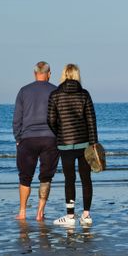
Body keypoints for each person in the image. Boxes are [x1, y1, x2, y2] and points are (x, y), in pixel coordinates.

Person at [47, 64, 98, 227]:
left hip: (65, 144)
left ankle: (70, 217)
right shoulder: (84, 94)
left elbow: (50, 120)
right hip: (84, 143)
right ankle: (86, 215)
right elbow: (91, 120)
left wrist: (59, 134)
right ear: (77, 75)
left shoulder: (55, 95)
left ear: (63, 75)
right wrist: (94, 143)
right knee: (86, 179)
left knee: (69, 180)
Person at [13, 61, 60, 221]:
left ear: (35, 74)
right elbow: (60, 118)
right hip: (50, 139)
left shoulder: (24, 91)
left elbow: (17, 119)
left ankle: (22, 211)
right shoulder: (55, 90)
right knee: (46, 177)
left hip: (28, 139)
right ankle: (40, 212)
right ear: (49, 73)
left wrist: (18, 138)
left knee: (25, 177)